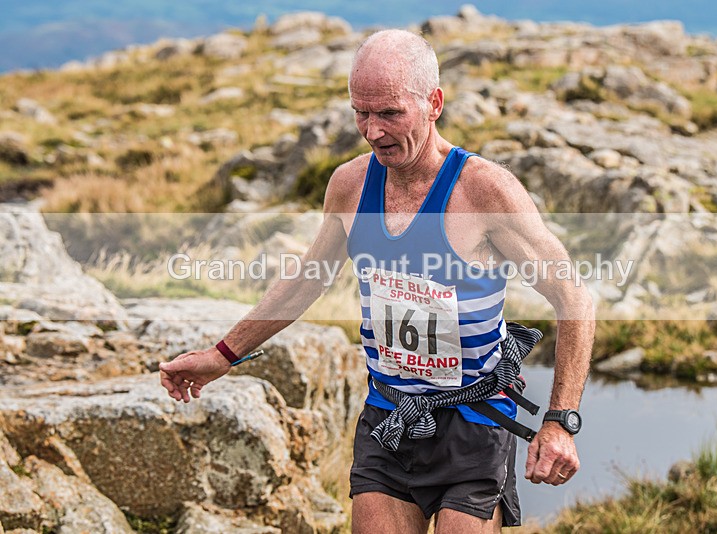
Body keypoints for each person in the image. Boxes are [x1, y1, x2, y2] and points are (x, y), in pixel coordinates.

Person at [159, 29, 594, 533]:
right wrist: (221, 355)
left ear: (434, 103)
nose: (372, 130)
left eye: (389, 114)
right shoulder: (349, 185)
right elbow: (307, 281)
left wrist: (562, 420)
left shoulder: (483, 191)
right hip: (390, 416)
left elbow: (573, 296)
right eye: (360, 113)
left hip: (475, 423)